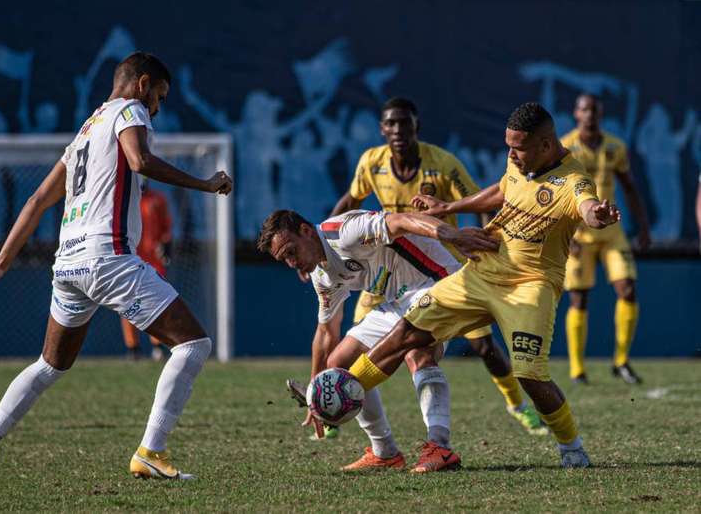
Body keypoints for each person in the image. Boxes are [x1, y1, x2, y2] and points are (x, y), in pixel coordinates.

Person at [0, 52, 232, 481]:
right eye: (158, 96)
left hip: (67, 266)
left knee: (49, 365)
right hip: (108, 259)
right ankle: (150, 452)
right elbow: (139, 162)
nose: (156, 108)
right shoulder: (131, 110)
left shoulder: (86, 131)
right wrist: (205, 184)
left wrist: (0, 263)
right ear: (142, 85)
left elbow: (36, 201)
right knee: (193, 345)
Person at [344, 102, 622, 468]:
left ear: (545, 144)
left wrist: (596, 216)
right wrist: (447, 208)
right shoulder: (520, 162)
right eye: (508, 145)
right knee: (406, 331)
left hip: (529, 286)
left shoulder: (573, 181)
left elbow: (586, 205)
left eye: (518, 147)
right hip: (480, 273)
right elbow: (504, 189)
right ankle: (344, 394)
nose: (510, 153)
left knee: (530, 376)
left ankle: (572, 448)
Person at [327, 97, 546, 435]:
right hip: (387, 272)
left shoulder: (442, 164)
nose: (398, 130)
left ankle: (517, 406)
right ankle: (339, 408)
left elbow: (482, 204)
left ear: (417, 127)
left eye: (404, 123)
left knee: (484, 346)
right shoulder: (371, 162)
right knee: (353, 347)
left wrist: (493, 243)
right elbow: (350, 201)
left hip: (439, 267)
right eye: (391, 123)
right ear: (382, 129)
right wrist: (326, 245)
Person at [258, 208, 500, 472]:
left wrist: (453, 236)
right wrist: (317, 388)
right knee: (339, 362)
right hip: (399, 301)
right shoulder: (322, 274)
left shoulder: (342, 233)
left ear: (305, 231)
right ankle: (384, 452)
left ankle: (439, 447)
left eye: (291, 252)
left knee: (416, 352)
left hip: (436, 283)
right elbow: (326, 332)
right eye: (284, 259)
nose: (292, 263)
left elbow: (400, 220)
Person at [561, 94, 650, 384]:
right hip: (579, 234)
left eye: (594, 110)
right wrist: (565, 232)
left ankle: (621, 361)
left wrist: (644, 227)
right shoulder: (565, 147)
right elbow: (558, 195)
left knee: (628, 289)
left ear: (601, 114)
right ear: (576, 113)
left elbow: (629, 186)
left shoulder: (615, 146)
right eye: (584, 109)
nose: (590, 115)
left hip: (612, 232)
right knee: (579, 298)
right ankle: (577, 369)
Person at [122, 180, 172, 361]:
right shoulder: (123, 199)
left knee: (157, 301)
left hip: (153, 259)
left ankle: (157, 345)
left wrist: (166, 245)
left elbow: (166, 226)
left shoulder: (157, 199)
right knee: (128, 303)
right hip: (130, 258)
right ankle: (132, 347)